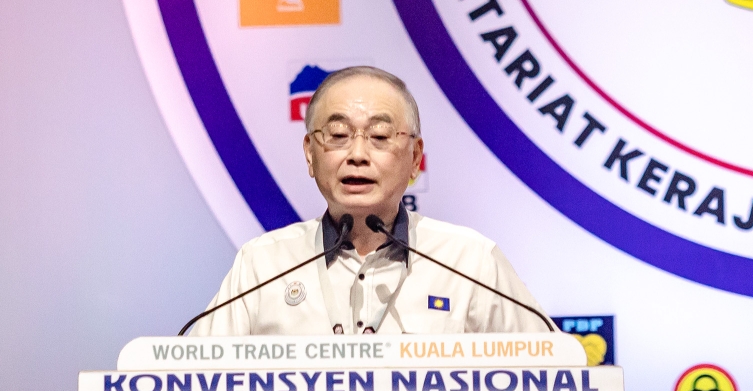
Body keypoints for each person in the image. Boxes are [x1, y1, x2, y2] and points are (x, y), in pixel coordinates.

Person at [192, 66, 550, 335]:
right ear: (310, 154)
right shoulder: (263, 265)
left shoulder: (470, 262)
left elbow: (559, 380)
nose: (358, 154)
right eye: (338, 135)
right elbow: (190, 386)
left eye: (380, 135)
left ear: (414, 157)